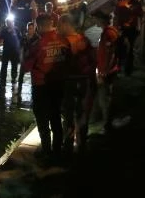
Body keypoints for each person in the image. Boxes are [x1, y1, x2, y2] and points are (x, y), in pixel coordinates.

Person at [22, 13, 71, 159]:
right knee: (56, 116)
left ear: (39, 26)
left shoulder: (37, 44)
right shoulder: (64, 40)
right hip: (58, 84)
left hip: (41, 85)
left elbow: (26, 67)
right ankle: (57, 150)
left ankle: (46, 151)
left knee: (42, 119)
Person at [58, 14, 97, 154]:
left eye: (59, 25)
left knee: (68, 114)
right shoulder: (84, 40)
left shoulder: (63, 42)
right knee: (81, 113)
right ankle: (82, 144)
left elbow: (58, 65)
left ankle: (68, 145)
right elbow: (93, 62)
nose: (58, 28)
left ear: (66, 24)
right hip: (84, 81)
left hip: (69, 81)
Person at [92, 11, 120, 133]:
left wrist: (105, 72)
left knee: (104, 99)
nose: (95, 22)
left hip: (107, 73)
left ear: (101, 20)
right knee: (104, 98)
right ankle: (106, 122)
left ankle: (107, 125)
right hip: (106, 71)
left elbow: (112, 54)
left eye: (96, 19)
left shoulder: (109, 33)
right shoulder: (108, 32)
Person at [114, 0, 143, 76]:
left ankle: (128, 70)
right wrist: (117, 28)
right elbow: (116, 16)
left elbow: (140, 16)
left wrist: (139, 28)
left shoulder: (137, 4)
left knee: (130, 50)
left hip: (132, 29)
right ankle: (117, 67)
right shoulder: (120, 4)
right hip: (122, 28)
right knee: (119, 48)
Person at [0, 17, 21, 90]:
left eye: (10, 22)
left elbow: (20, 39)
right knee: (4, 67)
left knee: (14, 66)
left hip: (15, 52)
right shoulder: (4, 30)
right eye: (8, 23)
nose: (9, 24)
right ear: (6, 23)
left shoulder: (16, 29)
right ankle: (2, 82)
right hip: (6, 51)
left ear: (13, 22)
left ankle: (14, 79)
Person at [17, 21, 40, 94]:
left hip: (34, 59)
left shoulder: (38, 38)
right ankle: (19, 90)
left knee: (35, 76)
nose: (30, 30)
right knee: (21, 75)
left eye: (31, 28)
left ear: (34, 29)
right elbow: (20, 48)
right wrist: (20, 57)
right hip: (25, 59)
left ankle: (35, 91)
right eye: (29, 28)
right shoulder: (24, 37)